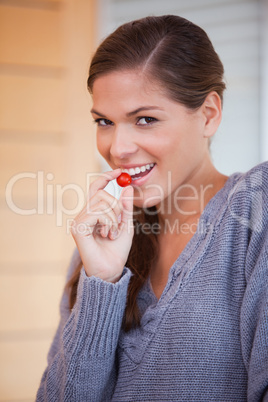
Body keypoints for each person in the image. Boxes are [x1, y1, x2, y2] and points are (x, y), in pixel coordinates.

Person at [36, 15, 268, 401]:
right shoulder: (99, 241)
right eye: (104, 121)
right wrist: (103, 282)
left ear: (209, 114)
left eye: (145, 119)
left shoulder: (255, 210)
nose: (117, 148)